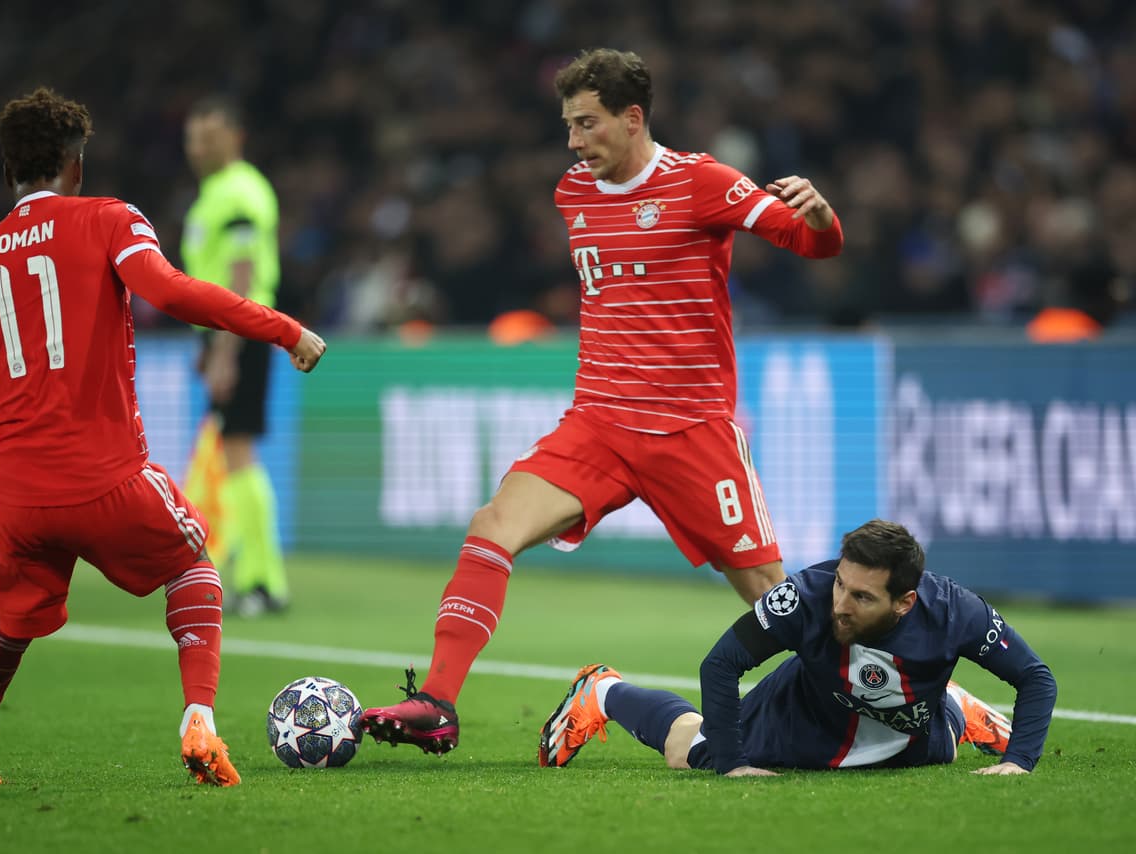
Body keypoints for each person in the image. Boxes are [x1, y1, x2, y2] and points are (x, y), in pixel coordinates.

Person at [360, 48, 845, 755]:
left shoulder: (701, 181)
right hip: (599, 424)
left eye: (587, 124)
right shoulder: (573, 193)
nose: (574, 142)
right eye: (568, 125)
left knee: (772, 593)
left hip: (691, 431)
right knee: (493, 525)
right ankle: (437, 702)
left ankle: (869, 701)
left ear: (632, 118)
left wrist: (824, 216)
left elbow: (813, 244)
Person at [0, 88, 327, 788]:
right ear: (76, 166)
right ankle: (197, 715)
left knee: (10, 620)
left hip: (16, 498)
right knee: (193, 563)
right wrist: (284, 327)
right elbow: (169, 292)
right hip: (107, 475)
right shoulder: (109, 219)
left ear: (7, 169)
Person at [539, 520, 1057, 776]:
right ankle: (602, 690)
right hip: (805, 711)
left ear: (904, 602)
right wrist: (735, 761)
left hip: (909, 725)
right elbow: (721, 664)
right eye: (840, 584)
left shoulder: (954, 612)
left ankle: (950, 707)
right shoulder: (806, 597)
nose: (841, 603)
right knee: (691, 751)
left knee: (935, 752)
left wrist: (1020, 762)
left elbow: (1035, 678)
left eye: (861, 596)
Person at [181, 96, 291, 617]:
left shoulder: (241, 192)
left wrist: (225, 350)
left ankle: (263, 581)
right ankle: (258, 577)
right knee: (233, 453)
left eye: (210, 136)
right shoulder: (213, 195)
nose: (198, 147)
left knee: (240, 453)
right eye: (193, 137)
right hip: (227, 335)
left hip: (243, 332)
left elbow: (241, 279)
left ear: (235, 137)